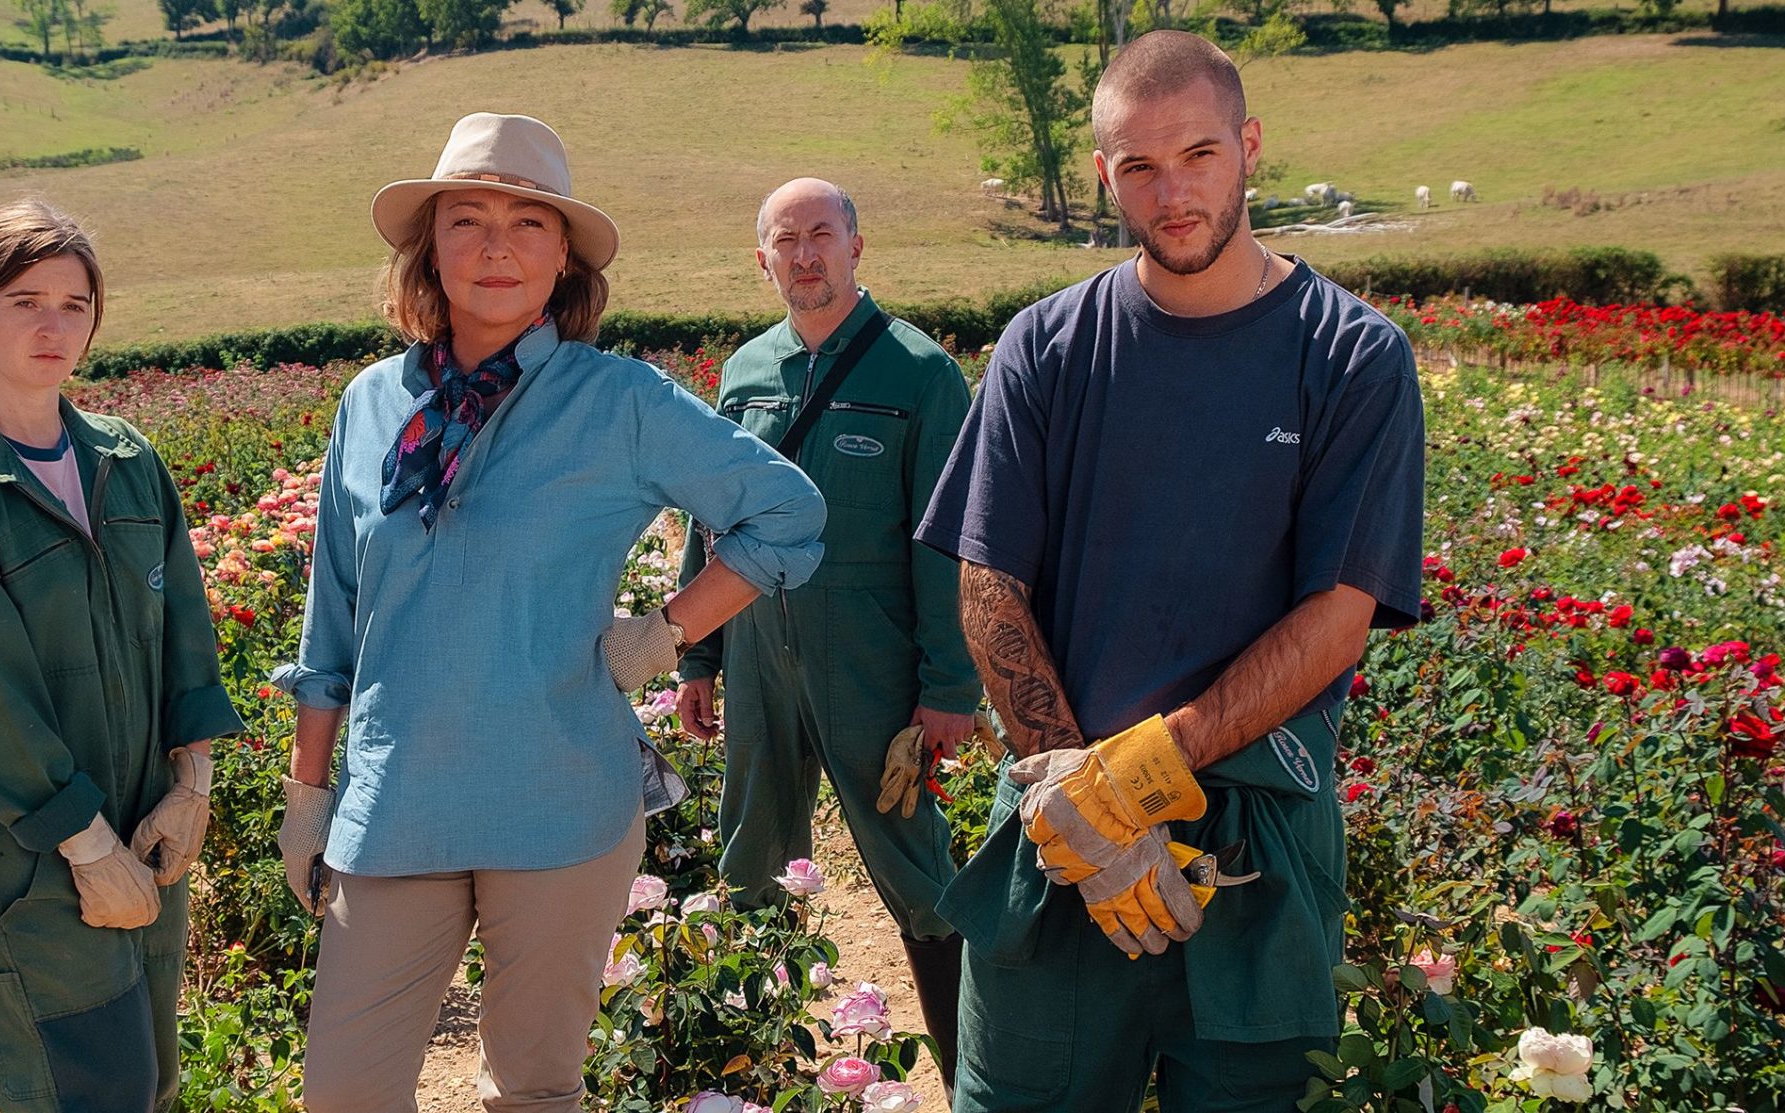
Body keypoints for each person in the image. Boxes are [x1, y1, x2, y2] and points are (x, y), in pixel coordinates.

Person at [270, 112, 829, 1113]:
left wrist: (661, 635)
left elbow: (786, 510)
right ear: (427, 248)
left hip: (559, 799)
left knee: (531, 1091)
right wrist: (308, 796)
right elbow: (332, 623)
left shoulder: (615, 400)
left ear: (562, 256)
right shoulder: (369, 404)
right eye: (466, 220)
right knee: (342, 1094)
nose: (494, 247)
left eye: (527, 224)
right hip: (397, 804)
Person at [913, 31, 1428, 1112]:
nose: (1172, 192)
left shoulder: (1349, 355)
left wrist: (1132, 782)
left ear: (1247, 148)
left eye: (1196, 155)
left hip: (1253, 842)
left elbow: (1337, 618)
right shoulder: (1045, 346)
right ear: (1106, 176)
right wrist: (1078, 803)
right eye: (1138, 167)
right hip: (1056, 838)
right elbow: (988, 587)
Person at [0, 198, 242, 1113]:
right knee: (84, 1085)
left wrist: (191, 782)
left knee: (152, 1078)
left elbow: (185, 631)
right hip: (41, 855)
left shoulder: (126, 461)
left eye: (75, 305)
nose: (54, 326)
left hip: (150, 825)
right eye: (25, 301)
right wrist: (85, 845)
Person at [672, 177, 981, 1071]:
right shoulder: (744, 374)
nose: (804, 255)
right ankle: (753, 1071)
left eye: (820, 235)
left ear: (856, 245)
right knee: (749, 861)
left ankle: (974, 1075)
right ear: (761, 258)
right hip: (761, 656)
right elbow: (711, 522)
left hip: (874, 664)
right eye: (785, 240)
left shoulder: (919, 374)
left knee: (918, 873)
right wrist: (698, 657)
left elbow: (947, 543)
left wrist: (948, 688)